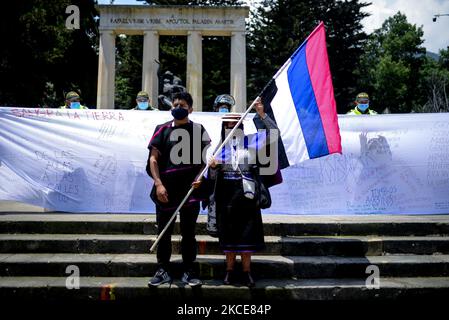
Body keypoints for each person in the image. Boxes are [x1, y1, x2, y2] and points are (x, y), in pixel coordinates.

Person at [208, 98, 275, 288]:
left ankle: (247, 272)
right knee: (229, 235)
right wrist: (213, 167)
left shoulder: (252, 141)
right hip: (226, 195)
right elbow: (212, 175)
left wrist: (262, 113)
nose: (232, 126)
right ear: (224, 126)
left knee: (247, 235)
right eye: (228, 123)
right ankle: (229, 271)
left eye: (236, 123)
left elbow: (274, 135)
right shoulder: (220, 147)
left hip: (247, 193)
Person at [146, 91, 210, 287]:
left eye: (182, 105)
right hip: (166, 192)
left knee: (188, 233)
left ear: (190, 109)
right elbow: (153, 159)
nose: (177, 108)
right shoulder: (162, 129)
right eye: (175, 105)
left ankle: (189, 270)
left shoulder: (199, 130)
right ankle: (163, 269)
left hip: (190, 193)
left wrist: (201, 177)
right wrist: (158, 184)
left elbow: (205, 161)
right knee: (164, 232)